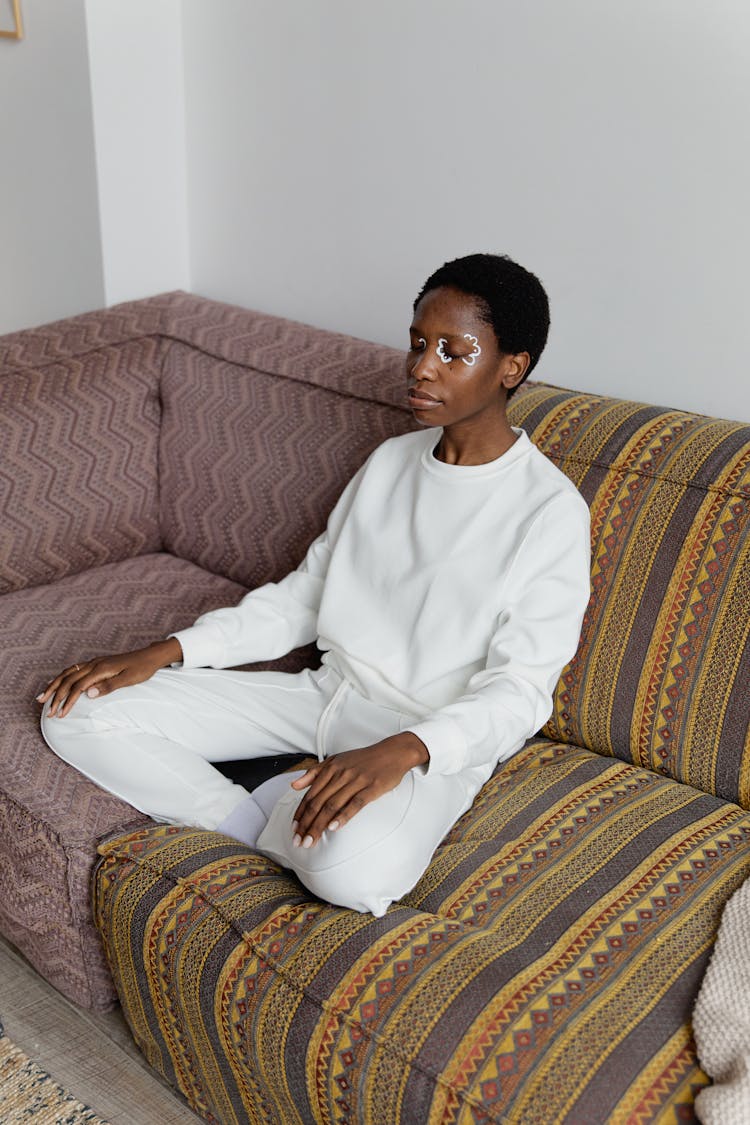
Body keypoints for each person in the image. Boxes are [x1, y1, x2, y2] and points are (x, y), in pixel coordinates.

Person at [38, 253, 591, 917]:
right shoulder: (392, 461)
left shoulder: (549, 511)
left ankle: (293, 814)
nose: (422, 367)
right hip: (321, 697)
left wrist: (405, 749)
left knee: (350, 872)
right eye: (418, 343)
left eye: (453, 350)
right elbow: (305, 598)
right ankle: (251, 820)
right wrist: (166, 652)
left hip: (424, 738)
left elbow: (521, 693)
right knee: (76, 708)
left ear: (512, 367)